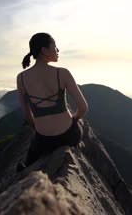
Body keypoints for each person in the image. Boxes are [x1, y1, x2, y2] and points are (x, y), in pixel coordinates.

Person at [16, 32, 88, 171]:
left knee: (33, 147)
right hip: (69, 136)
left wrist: (41, 129)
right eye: (54, 46)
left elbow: (28, 116)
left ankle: (26, 166)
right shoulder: (62, 73)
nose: (58, 50)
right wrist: (74, 119)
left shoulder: (21, 78)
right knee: (76, 122)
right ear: (44, 50)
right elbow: (83, 107)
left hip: (44, 141)